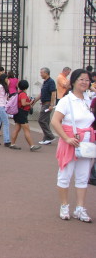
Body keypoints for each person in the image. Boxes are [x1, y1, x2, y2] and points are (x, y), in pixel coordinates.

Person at [51, 69, 94, 222]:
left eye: (87, 80)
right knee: (65, 176)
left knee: (83, 177)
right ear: (74, 81)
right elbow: (55, 121)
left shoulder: (89, 100)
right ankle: (64, 205)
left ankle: (80, 208)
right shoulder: (66, 100)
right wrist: (66, 138)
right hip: (70, 142)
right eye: (81, 79)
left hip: (87, 143)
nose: (84, 82)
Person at [10, 80, 42, 151]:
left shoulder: (18, 92)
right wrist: (30, 102)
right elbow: (23, 103)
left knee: (17, 129)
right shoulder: (23, 94)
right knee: (27, 130)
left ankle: (12, 143)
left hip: (18, 112)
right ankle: (32, 145)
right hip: (22, 113)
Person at [32, 67, 57, 145]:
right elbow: (41, 93)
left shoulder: (51, 82)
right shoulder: (45, 82)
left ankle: (51, 136)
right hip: (44, 103)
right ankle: (46, 139)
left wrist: (51, 104)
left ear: (46, 73)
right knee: (45, 121)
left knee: (41, 120)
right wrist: (34, 101)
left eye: (42, 73)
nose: (40, 74)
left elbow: (53, 93)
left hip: (47, 104)